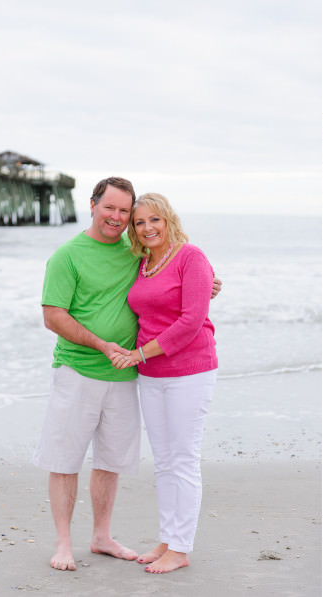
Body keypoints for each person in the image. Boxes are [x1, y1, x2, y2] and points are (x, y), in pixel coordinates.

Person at [34, 177, 144, 571]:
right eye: (109, 207)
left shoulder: (137, 251)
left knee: (111, 460)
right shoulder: (67, 255)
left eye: (124, 210)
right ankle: (63, 543)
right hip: (77, 371)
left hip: (124, 375)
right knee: (65, 460)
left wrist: (206, 285)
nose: (116, 217)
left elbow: (169, 278)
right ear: (93, 204)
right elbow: (53, 316)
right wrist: (101, 345)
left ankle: (101, 536)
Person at [111, 193, 217, 574]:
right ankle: (169, 538)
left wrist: (140, 354)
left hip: (190, 370)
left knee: (184, 459)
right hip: (152, 375)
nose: (148, 227)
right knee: (164, 462)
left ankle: (182, 548)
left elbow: (191, 321)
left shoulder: (191, 257)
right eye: (139, 223)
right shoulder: (142, 264)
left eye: (154, 219)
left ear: (168, 219)